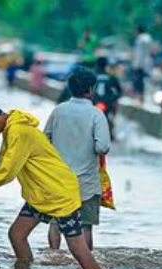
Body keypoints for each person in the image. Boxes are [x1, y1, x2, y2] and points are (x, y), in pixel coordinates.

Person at [0, 100, 103, 269]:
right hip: (41, 195)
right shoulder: (12, 128)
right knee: (17, 235)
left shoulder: (19, 131)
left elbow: (6, 173)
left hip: (58, 194)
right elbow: (5, 166)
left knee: (78, 249)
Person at [43, 68, 111, 252]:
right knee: (85, 226)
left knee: (56, 222)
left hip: (58, 179)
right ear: (90, 89)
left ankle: (54, 258)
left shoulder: (58, 111)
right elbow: (102, 147)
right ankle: (85, 266)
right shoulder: (96, 114)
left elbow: (44, 140)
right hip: (86, 181)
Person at [92, 56, 123, 138]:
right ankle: (111, 132)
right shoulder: (111, 77)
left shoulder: (92, 76)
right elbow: (119, 91)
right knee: (111, 115)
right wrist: (114, 98)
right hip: (108, 102)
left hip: (94, 101)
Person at [132, 25, 153, 102]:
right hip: (147, 63)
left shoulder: (140, 39)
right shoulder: (148, 38)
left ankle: (140, 97)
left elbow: (140, 53)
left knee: (139, 81)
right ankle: (143, 97)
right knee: (145, 80)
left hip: (141, 63)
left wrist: (137, 64)